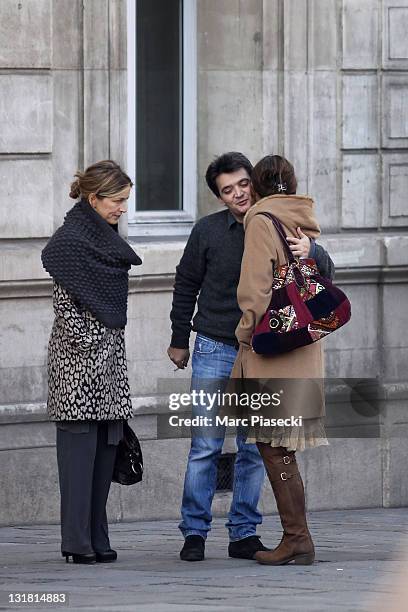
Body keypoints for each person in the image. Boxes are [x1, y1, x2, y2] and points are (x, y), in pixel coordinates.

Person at [167, 152, 334, 562]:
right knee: (205, 444)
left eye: (243, 184)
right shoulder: (207, 231)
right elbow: (185, 284)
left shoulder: (276, 221)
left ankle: (243, 531)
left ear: (254, 183)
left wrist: (311, 248)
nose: (238, 193)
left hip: (261, 353)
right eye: (227, 190)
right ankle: (195, 532)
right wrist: (178, 339)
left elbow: (324, 273)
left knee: (253, 447)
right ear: (219, 197)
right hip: (213, 347)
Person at [42, 160, 142, 564]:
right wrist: (95, 346)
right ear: (93, 197)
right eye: (117, 200)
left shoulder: (107, 241)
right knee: (79, 460)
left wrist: (108, 351)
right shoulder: (69, 242)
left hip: (110, 369)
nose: (122, 208)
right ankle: (76, 542)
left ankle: (98, 538)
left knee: (104, 455)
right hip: (77, 368)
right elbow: (66, 310)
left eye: (125, 201)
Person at [231, 154, 329, 566]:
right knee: (280, 447)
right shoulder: (300, 218)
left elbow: (254, 289)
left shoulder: (259, 219)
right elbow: (322, 272)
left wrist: (243, 333)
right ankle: (297, 537)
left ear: (255, 185)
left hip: (272, 348)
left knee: (274, 446)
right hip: (305, 345)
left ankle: (297, 538)